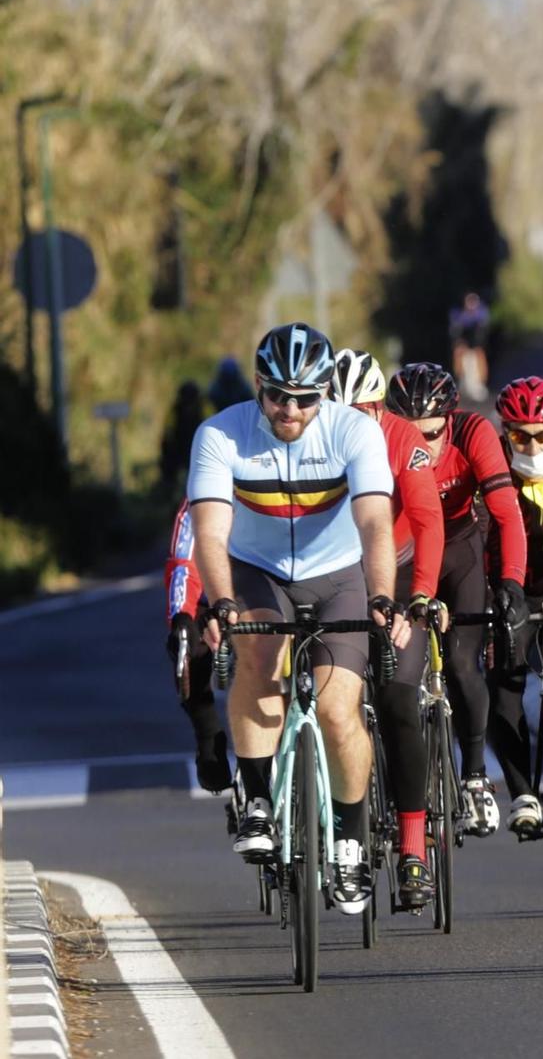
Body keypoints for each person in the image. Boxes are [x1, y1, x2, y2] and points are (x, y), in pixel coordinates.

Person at [186, 322, 407, 916]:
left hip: (337, 574)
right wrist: (222, 601)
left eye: (306, 398)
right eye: (278, 395)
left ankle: (354, 837)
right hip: (257, 569)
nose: (290, 409)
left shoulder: (354, 431)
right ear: (258, 386)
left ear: (325, 394)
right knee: (258, 656)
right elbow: (210, 530)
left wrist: (382, 596)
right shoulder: (220, 434)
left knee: (339, 710)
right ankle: (256, 796)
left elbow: (374, 524)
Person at [326, 348, 449, 905]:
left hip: (396, 571)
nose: (356, 421)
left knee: (400, 697)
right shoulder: (314, 437)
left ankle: (413, 846)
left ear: (381, 408)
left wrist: (420, 595)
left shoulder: (402, 439)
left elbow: (427, 519)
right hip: (334, 575)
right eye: (342, 410)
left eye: (366, 410)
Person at [386, 361, 528, 841]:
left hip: (461, 547)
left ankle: (472, 775)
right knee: (395, 671)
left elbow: (507, 514)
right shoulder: (381, 439)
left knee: (466, 662)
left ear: (450, 419)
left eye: (430, 434)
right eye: (411, 433)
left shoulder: (474, 432)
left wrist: (510, 581)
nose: (420, 446)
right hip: (406, 553)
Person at [489, 375, 543, 838]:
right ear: (505, 432)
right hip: (511, 593)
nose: (533, 444)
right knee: (503, 682)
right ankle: (523, 790)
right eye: (520, 435)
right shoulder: (493, 464)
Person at [164, 500, 230, 792]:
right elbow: (183, 561)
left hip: (274, 591)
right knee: (186, 642)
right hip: (212, 601)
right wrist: (182, 616)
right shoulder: (202, 491)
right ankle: (208, 734)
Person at [158, 381, 205, 495]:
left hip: (198, 445)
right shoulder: (175, 409)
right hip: (179, 446)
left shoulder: (203, 407)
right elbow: (168, 430)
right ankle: (170, 491)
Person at [448, 292, 491, 402]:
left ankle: (479, 383)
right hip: (463, 344)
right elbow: (456, 331)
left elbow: (482, 331)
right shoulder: (458, 314)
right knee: (459, 354)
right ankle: (462, 382)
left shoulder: (481, 313)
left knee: (479, 356)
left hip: (477, 345)